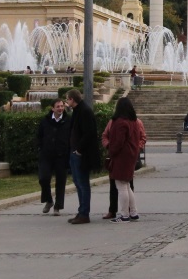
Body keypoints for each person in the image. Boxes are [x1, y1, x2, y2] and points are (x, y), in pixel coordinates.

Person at [65, 88, 100, 224]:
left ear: (72, 99)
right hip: (75, 152)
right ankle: (81, 211)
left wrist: (79, 150)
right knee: (78, 183)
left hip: (81, 154)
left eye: (67, 99)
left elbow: (89, 133)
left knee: (83, 183)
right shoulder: (77, 110)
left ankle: (84, 213)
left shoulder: (84, 111)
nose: (67, 101)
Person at [106, 97, 143, 222]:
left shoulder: (120, 122)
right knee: (127, 185)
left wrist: (111, 151)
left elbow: (118, 142)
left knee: (121, 186)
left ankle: (124, 215)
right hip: (131, 155)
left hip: (121, 156)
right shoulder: (133, 121)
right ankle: (133, 212)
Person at [37, 99, 71, 215]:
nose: (60, 108)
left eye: (62, 106)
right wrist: (41, 148)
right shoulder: (45, 121)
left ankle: (58, 206)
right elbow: (39, 136)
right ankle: (49, 200)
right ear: (52, 108)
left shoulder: (68, 121)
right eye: (58, 106)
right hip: (46, 155)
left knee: (61, 182)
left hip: (62, 156)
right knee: (43, 178)